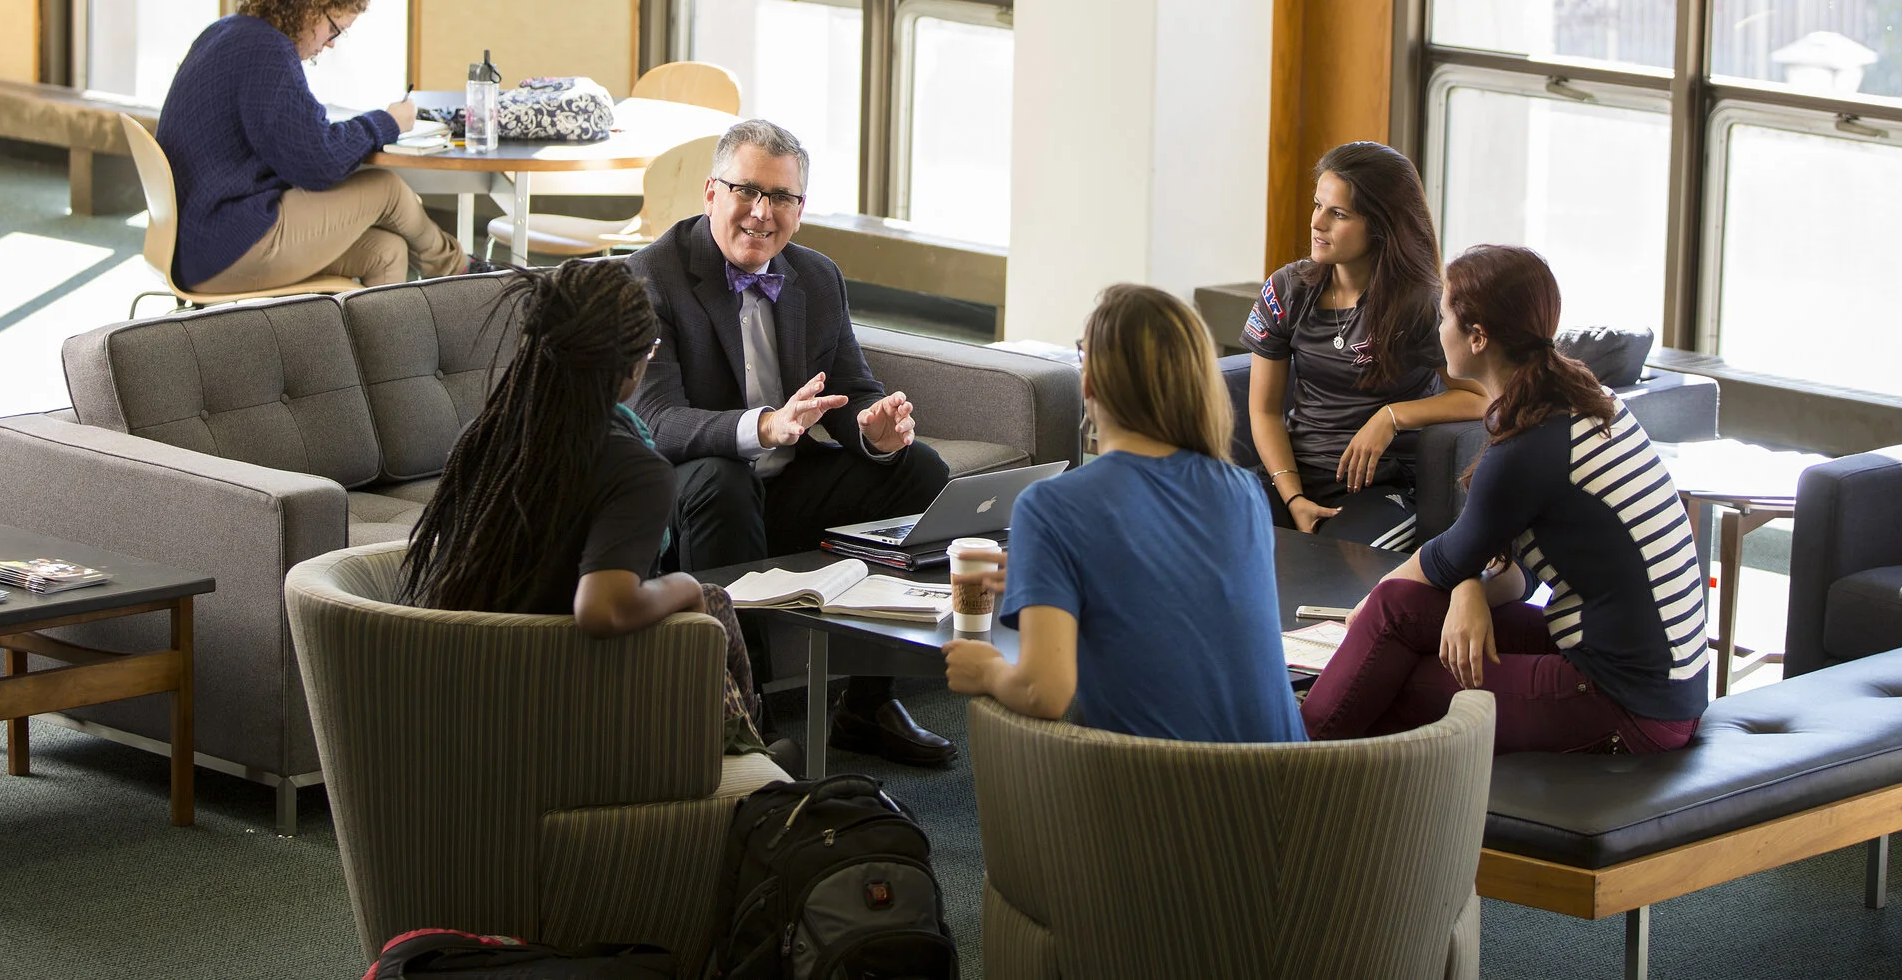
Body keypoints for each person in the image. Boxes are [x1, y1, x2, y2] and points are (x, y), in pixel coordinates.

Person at [626, 118, 958, 767]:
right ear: (710, 192)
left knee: (919, 469)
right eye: (745, 190)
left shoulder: (817, 276)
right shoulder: (652, 276)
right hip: (694, 493)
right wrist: (761, 426)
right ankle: (746, 719)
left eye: (780, 197)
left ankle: (868, 702)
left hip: (789, 487)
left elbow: (854, 387)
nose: (760, 211)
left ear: (800, 210)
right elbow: (657, 419)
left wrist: (877, 430)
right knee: (723, 478)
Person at [1301, 244, 1708, 754]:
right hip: (1646, 677)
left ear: (1478, 337)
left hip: (1628, 702)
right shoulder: (1580, 400)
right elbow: (1523, 568)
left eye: (1444, 315)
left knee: (1390, 663)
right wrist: (1465, 587)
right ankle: (1301, 745)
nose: (1437, 328)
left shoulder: (1529, 443)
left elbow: (1450, 557)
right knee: (1397, 610)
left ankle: (1286, 766)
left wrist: (1374, 604)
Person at [400, 259, 791, 764]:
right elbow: (601, 609)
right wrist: (683, 586)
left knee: (714, 601)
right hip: (566, 701)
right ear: (630, 367)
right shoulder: (635, 468)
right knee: (700, 599)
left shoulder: (485, 437)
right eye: (650, 351)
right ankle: (743, 769)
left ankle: (749, 750)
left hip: (470, 689)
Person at [942, 283, 1305, 744]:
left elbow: (1043, 693)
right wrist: (1060, 574)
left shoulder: (1051, 507)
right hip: (1291, 791)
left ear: (1089, 380)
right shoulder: (1244, 492)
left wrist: (989, 670)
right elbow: (1178, 597)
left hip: (1160, 796)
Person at [156, 0, 471, 294]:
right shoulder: (268, 53)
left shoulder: (228, 31)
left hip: (197, 242)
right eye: (334, 29)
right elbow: (317, 164)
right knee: (387, 189)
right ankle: (461, 273)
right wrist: (389, 121)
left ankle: (382, 345)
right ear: (308, 8)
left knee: (386, 252)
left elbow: (290, 140)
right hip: (226, 246)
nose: (331, 43)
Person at [1243, 141, 1490, 549]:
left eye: (1338, 214)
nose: (1317, 223)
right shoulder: (1286, 289)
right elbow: (1264, 410)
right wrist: (1293, 496)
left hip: (1382, 486)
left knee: (1342, 562)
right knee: (1202, 535)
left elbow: (1480, 397)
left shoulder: (1423, 304)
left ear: (1381, 225)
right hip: (1293, 473)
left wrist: (1391, 417)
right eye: (1317, 205)